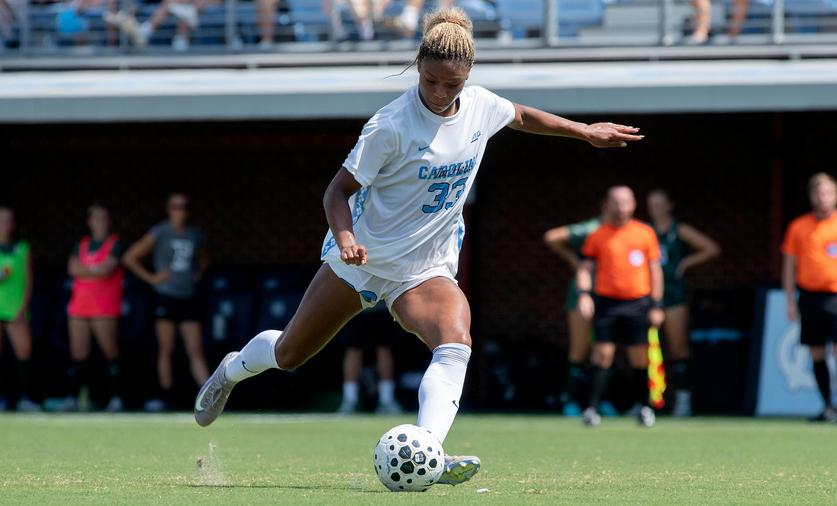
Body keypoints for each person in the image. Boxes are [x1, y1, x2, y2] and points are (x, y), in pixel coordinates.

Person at [193, 6, 642, 487]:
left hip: (424, 268)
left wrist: (583, 131)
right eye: (431, 82)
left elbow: (522, 116)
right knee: (289, 355)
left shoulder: (480, 106)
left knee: (455, 343)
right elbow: (335, 192)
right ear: (418, 68)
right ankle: (231, 370)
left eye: (452, 85)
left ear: (467, 77)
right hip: (363, 261)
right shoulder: (389, 126)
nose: (440, 93)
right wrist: (344, 238)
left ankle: (429, 449)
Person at [782, 173, 837, 424]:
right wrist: (789, 299)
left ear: (836, 196)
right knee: (816, 353)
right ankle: (827, 406)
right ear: (811, 196)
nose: (823, 198)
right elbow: (789, 264)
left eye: (827, 193)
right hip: (809, 296)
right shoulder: (798, 227)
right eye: (818, 193)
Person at [576, 186, 664, 428]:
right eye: (616, 202)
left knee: (639, 357)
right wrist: (584, 294)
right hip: (606, 302)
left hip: (638, 303)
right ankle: (591, 409)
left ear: (633, 204)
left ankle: (644, 407)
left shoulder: (645, 233)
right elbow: (585, 268)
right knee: (603, 354)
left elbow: (655, 271)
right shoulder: (598, 235)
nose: (621, 207)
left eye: (625, 202)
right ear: (608, 204)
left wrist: (656, 305)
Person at [124, 193, 210, 411]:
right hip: (166, 296)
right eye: (175, 206)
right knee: (166, 348)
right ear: (168, 209)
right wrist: (152, 278)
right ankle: (167, 397)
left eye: (184, 206)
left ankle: (210, 397)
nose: (180, 211)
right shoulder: (160, 232)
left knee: (195, 348)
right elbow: (130, 257)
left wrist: (197, 272)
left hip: (188, 296)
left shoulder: (194, 233)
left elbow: (203, 257)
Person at [646, 189, 719, 417]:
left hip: (674, 295)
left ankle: (683, 399)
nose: (656, 209)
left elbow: (711, 248)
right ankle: (646, 400)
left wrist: (687, 262)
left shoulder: (679, 230)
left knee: (678, 348)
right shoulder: (644, 231)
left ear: (670, 205)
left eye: (660, 204)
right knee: (643, 350)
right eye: (651, 204)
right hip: (647, 297)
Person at [61, 205, 125, 413]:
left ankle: (116, 397)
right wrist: (94, 269)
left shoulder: (115, 244)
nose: (100, 222)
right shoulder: (81, 244)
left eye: (104, 218)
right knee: (78, 354)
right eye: (96, 218)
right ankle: (75, 397)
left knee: (110, 352)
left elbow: (107, 269)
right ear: (89, 222)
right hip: (79, 305)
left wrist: (86, 270)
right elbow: (72, 268)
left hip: (104, 307)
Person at [544, 213, 601, 417]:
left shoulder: (627, 231)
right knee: (579, 349)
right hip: (582, 294)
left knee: (603, 350)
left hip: (610, 295)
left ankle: (598, 402)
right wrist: (573, 260)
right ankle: (571, 400)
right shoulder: (592, 227)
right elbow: (552, 237)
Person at [0, 206, 40, 412]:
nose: (4, 225)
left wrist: (22, 308)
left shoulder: (22, 248)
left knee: (24, 352)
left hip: (16, 308)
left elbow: (28, 280)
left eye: (8, 221)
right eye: (1, 220)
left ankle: (25, 397)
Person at [336, 302, 403, 414]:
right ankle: (350, 400)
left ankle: (387, 400)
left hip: (382, 306)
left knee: (384, 348)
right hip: (354, 305)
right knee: (353, 349)